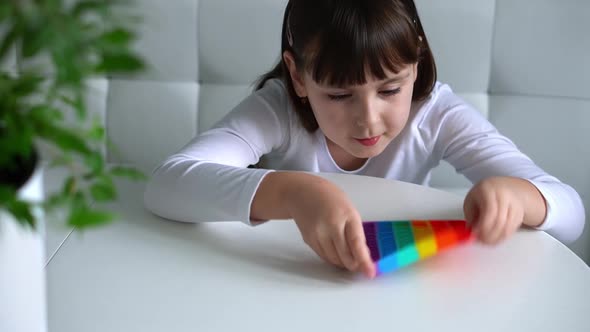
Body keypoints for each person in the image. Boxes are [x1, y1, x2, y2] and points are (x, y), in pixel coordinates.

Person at [144, 0, 585, 279]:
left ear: (417, 62)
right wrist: (296, 192)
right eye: (338, 94)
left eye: (390, 89)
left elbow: (572, 213)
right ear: (297, 75)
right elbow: (168, 184)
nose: (368, 120)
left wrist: (519, 197)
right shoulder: (278, 108)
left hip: (395, 284)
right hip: (282, 277)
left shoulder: (437, 114)